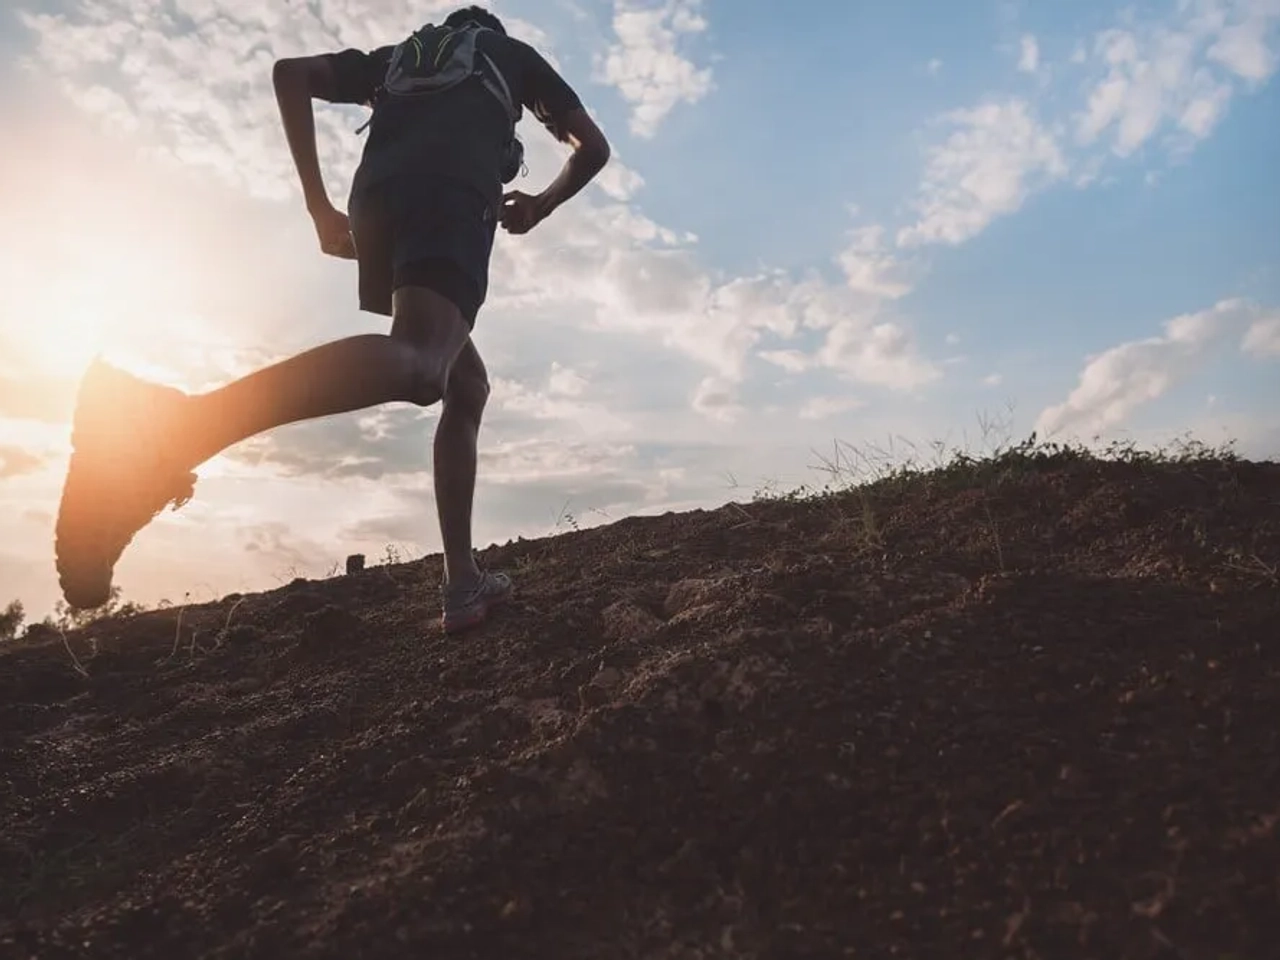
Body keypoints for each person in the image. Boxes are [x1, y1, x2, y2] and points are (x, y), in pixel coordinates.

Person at [53, 5, 611, 634]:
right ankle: (178, 428)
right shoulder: (509, 54)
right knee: (425, 364)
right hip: (453, 193)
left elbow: (290, 74)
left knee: (465, 382)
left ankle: (462, 584)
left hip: (375, 201)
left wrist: (318, 206)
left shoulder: (400, 56)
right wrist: (540, 204)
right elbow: (592, 147)